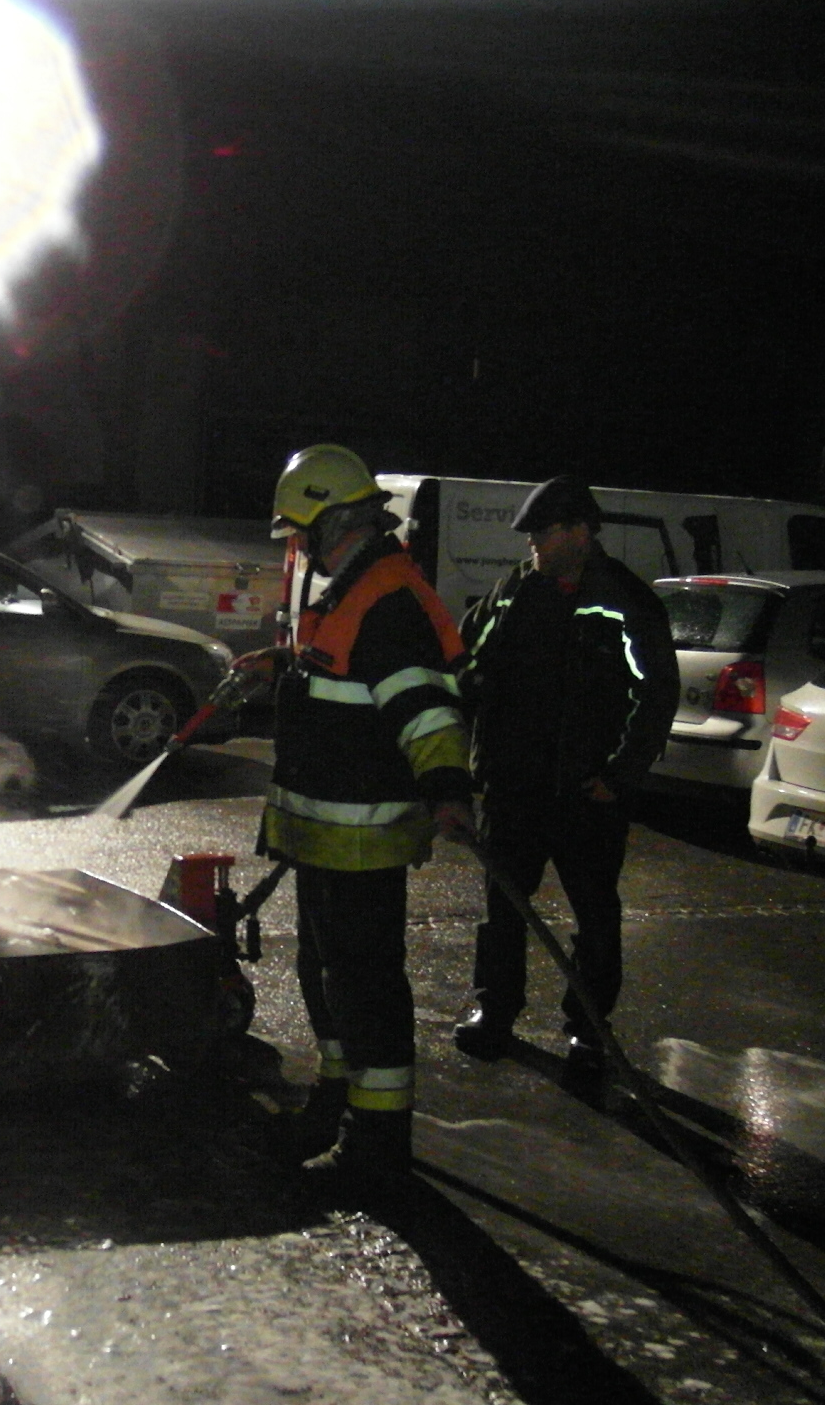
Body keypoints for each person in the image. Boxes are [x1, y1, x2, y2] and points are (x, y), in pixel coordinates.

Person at [237, 444, 475, 1193]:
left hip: (362, 844)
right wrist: (283, 666)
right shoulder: (352, 591)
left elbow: (425, 710)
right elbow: (343, 677)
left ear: (335, 521)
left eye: (301, 532)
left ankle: (377, 1149)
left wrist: (448, 789)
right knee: (327, 981)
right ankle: (334, 1104)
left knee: (367, 994)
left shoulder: (390, 601)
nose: (298, 546)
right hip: (326, 841)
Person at [452, 475, 679, 1099]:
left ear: (581, 531)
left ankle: (588, 1031)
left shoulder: (626, 601)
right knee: (503, 908)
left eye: (543, 533)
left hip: (588, 796)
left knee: (595, 915)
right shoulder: (513, 592)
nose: (532, 545)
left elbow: (656, 695)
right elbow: (465, 663)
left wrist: (619, 775)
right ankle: (495, 1010)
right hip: (514, 788)